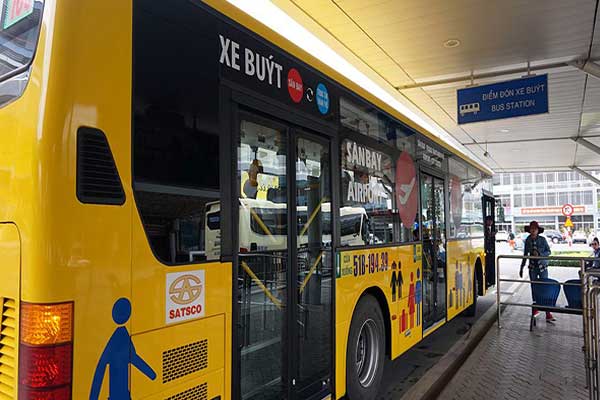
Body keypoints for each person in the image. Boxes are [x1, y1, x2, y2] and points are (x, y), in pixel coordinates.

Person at [519, 221, 555, 322]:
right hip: (532, 268)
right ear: (529, 230)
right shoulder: (528, 240)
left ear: (538, 230)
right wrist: (522, 267)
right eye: (531, 228)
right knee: (534, 287)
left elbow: (549, 251)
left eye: (535, 228)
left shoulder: (542, 240)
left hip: (542, 267)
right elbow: (525, 254)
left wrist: (539, 253)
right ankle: (535, 309)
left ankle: (548, 313)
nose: (533, 230)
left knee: (545, 287)